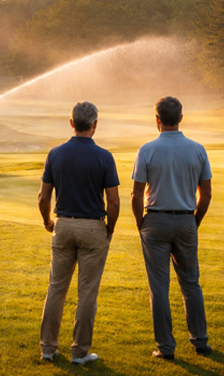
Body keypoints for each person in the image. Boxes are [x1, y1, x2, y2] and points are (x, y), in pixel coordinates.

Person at [37, 101, 120, 365]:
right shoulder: (104, 157)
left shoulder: (55, 153)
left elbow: (43, 197)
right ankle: (80, 353)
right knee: (87, 293)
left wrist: (47, 221)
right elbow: (114, 202)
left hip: (63, 225)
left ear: (72, 123)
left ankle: (48, 349)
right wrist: (109, 229)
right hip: (93, 227)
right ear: (95, 125)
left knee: (56, 290)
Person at [131, 96, 213, 361]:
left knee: (159, 288)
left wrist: (140, 224)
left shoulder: (147, 150)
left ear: (157, 120)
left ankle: (166, 348)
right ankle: (200, 342)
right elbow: (207, 194)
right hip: (186, 220)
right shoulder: (198, 149)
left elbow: (136, 194)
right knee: (191, 284)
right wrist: (194, 221)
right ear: (180, 118)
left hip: (154, 220)